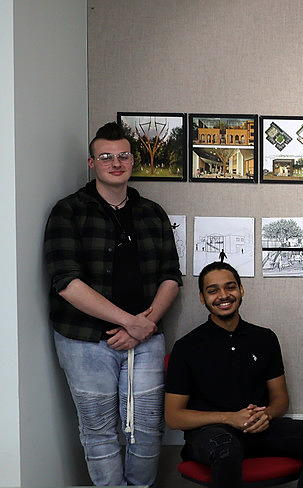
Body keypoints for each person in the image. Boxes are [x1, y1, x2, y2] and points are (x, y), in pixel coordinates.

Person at [44, 121, 182, 486]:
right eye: (106, 157)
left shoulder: (153, 212)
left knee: (148, 428)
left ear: (133, 161)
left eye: (123, 156)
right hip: (83, 340)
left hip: (147, 338)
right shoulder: (68, 211)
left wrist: (144, 326)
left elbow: (171, 276)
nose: (115, 163)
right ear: (92, 163)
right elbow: (66, 282)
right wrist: (130, 322)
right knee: (98, 430)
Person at [166, 261, 303, 488]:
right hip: (212, 435)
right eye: (213, 290)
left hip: (260, 430)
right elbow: (173, 416)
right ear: (202, 298)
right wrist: (229, 418)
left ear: (241, 290)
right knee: (226, 447)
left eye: (230, 287)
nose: (223, 295)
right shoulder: (187, 347)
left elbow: (280, 399)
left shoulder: (265, 338)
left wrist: (265, 415)